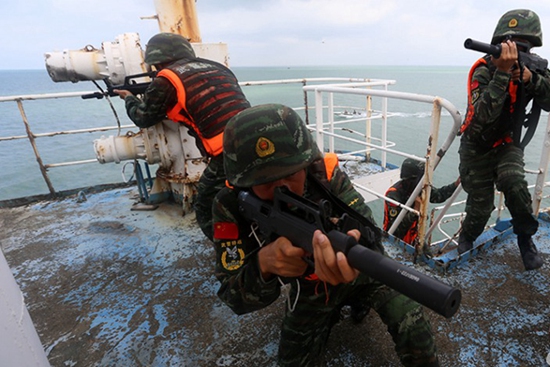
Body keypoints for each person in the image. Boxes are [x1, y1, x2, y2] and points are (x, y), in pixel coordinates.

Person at [212, 103, 439, 366]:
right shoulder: (229, 205)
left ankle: (357, 302)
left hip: (365, 276)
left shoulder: (326, 177)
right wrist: (264, 265)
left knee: (413, 322)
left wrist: (355, 246)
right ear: (243, 181)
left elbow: (370, 236)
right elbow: (234, 297)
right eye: (264, 181)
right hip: (311, 290)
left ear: (306, 164)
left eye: (291, 173)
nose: (282, 187)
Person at [113, 32, 251, 241]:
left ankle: (229, 251)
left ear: (156, 61)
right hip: (255, 134)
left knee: (206, 205)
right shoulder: (219, 68)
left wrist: (129, 98)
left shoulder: (166, 79)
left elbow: (143, 117)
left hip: (228, 151)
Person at [457, 9, 550, 270]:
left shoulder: (534, 69)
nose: (513, 53)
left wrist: (533, 81)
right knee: (480, 206)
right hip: (476, 145)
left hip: (507, 143)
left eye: (522, 48)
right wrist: (502, 73)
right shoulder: (484, 71)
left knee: (515, 184)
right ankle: (467, 237)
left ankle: (525, 238)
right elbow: (482, 118)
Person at [383, 158, 459, 244]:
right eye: (421, 179)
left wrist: (456, 185)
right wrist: (415, 211)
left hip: (415, 237)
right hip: (395, 241)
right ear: (411, 179)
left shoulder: (420, 188)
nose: (423, 182)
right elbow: (396, 231)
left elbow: (438, 196)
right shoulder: (394, 195)